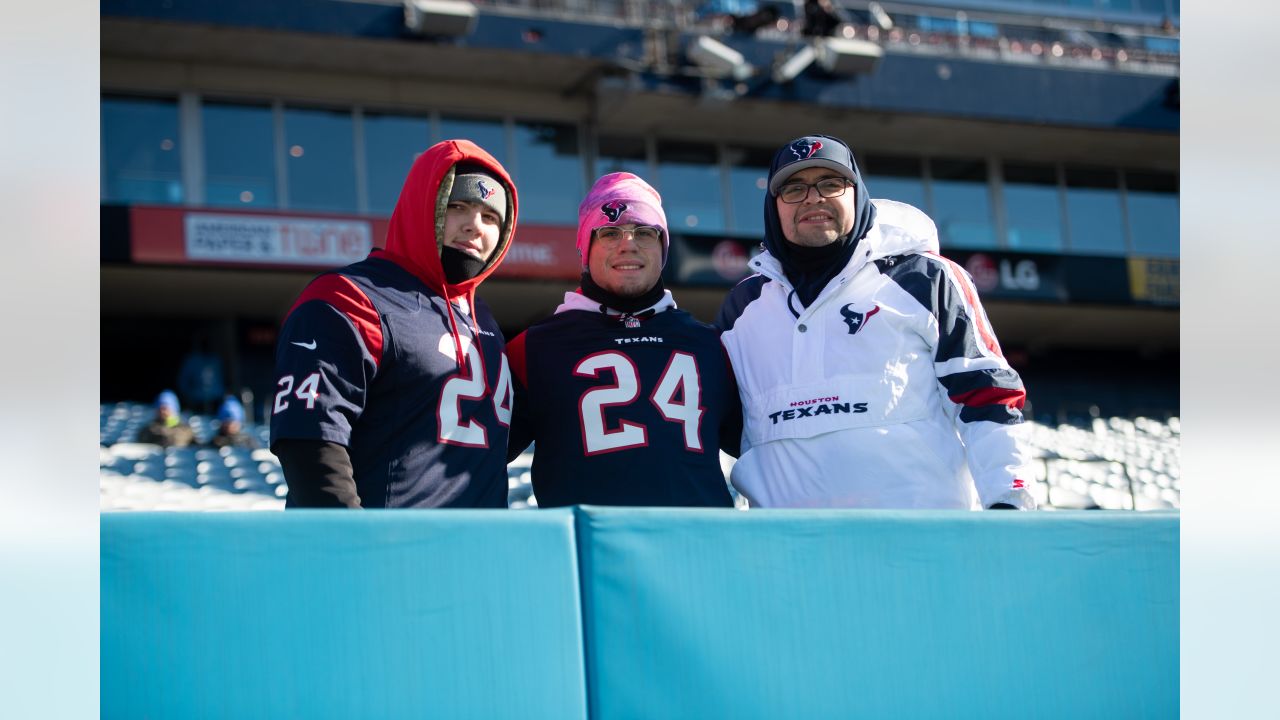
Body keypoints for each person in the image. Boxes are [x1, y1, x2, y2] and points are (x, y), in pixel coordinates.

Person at [716, 134, 1035, 510]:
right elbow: (725, 423)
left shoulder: (925, 278)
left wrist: (1008, 501)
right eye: (794, 188)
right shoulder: (743, 306)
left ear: (858, 193)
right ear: (774, 207)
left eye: (831, 183)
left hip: (919, 542)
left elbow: (987, 396)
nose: (813, 198)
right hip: (787, 548)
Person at [270, 139, 518, 508]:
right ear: (424, 206)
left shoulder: (483, 319)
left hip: (476, 553)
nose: (474, 226)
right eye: (458, 206)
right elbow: (310, 443)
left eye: (491, 217)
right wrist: (358, 550)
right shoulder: (349, 297)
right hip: (386, 554)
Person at [506, 172, 738, 507]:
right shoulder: (530, 350)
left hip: (697, 550)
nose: (628, 243)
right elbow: (474, 461)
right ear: (586, 248)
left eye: (644, 232)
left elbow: (769, 449)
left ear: (663, 247)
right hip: (590, 553)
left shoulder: (713, 346)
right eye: (610, 232)